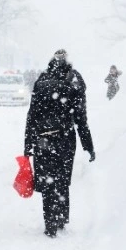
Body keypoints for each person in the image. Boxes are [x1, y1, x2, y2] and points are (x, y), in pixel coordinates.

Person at [24, 49, 95, 238]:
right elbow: (81, 118)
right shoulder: (74, 80)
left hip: (43, 139)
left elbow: (32, 115)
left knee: (48, 182)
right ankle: (62, 216)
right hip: (65, 138)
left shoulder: (41, 80)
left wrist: (28, 144)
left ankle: (50, 223)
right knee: (62, 180)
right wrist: (88, 145)